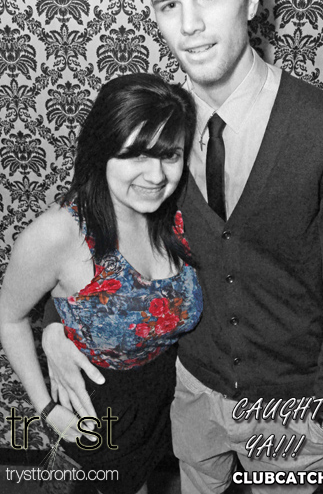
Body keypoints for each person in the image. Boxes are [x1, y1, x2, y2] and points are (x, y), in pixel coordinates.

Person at [41, 0, 323, 494]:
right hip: (191, 390)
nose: (190, 25)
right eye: (170, 5)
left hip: (293, 408)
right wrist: (52, 325)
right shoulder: (154, 128)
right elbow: (92, 231)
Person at [0, 73, 203, 494]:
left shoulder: (180, 212)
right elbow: (8, 317)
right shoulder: (60, 234)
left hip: (165, 402)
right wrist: (46, 408)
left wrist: (55, 324)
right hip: (97, 416)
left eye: (169, 155)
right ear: (101, 151)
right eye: (136, 154)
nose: (156, 175)